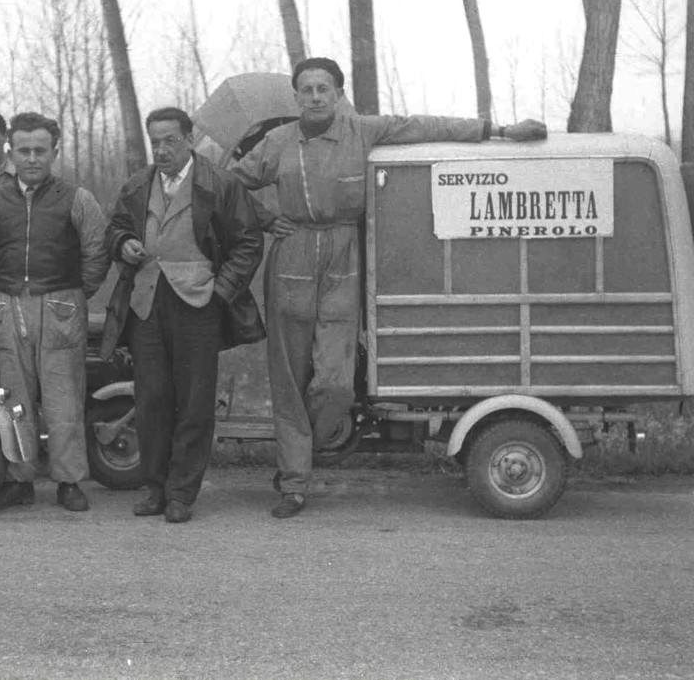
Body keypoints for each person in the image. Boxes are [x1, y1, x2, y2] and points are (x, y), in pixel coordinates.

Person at [231, 56, 548, 519]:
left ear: (338, 94)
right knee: (288, 378)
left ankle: (307, 448)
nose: (315, 96)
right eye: (306, 89)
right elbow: (229, 185)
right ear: (296, 96)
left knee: (335, 383)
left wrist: (498, 129)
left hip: (345, 256)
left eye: (324, 88)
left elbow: (426, 125)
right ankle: (294, 483)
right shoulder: (277, 142)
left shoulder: (364, 131)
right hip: (290, 257)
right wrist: (263, 219)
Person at [102, 107, 264, 523]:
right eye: (155, 141)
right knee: (151, 397)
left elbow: (247, 244)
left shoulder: (220, 184)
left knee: (194, 402)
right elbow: (115, 227)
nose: (162, 149)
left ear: (190, 140)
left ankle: (182, 494)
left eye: (171, 140)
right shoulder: (138, 186)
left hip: (198, 304)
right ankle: (154, 487)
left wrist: (221, 292)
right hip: (146, 303)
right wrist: (123, 244)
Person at [0, 112, 109, 513]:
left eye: (40, 151)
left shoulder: (77, 198)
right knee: (14, 399)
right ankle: (20, 480)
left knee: (64, 399)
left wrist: (77, 294)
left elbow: (96, 252)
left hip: (60, 305)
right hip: (8, 306)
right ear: (11, 152)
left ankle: (68, 481)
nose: (32, 159)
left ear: (54, 152)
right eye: (24, 150)